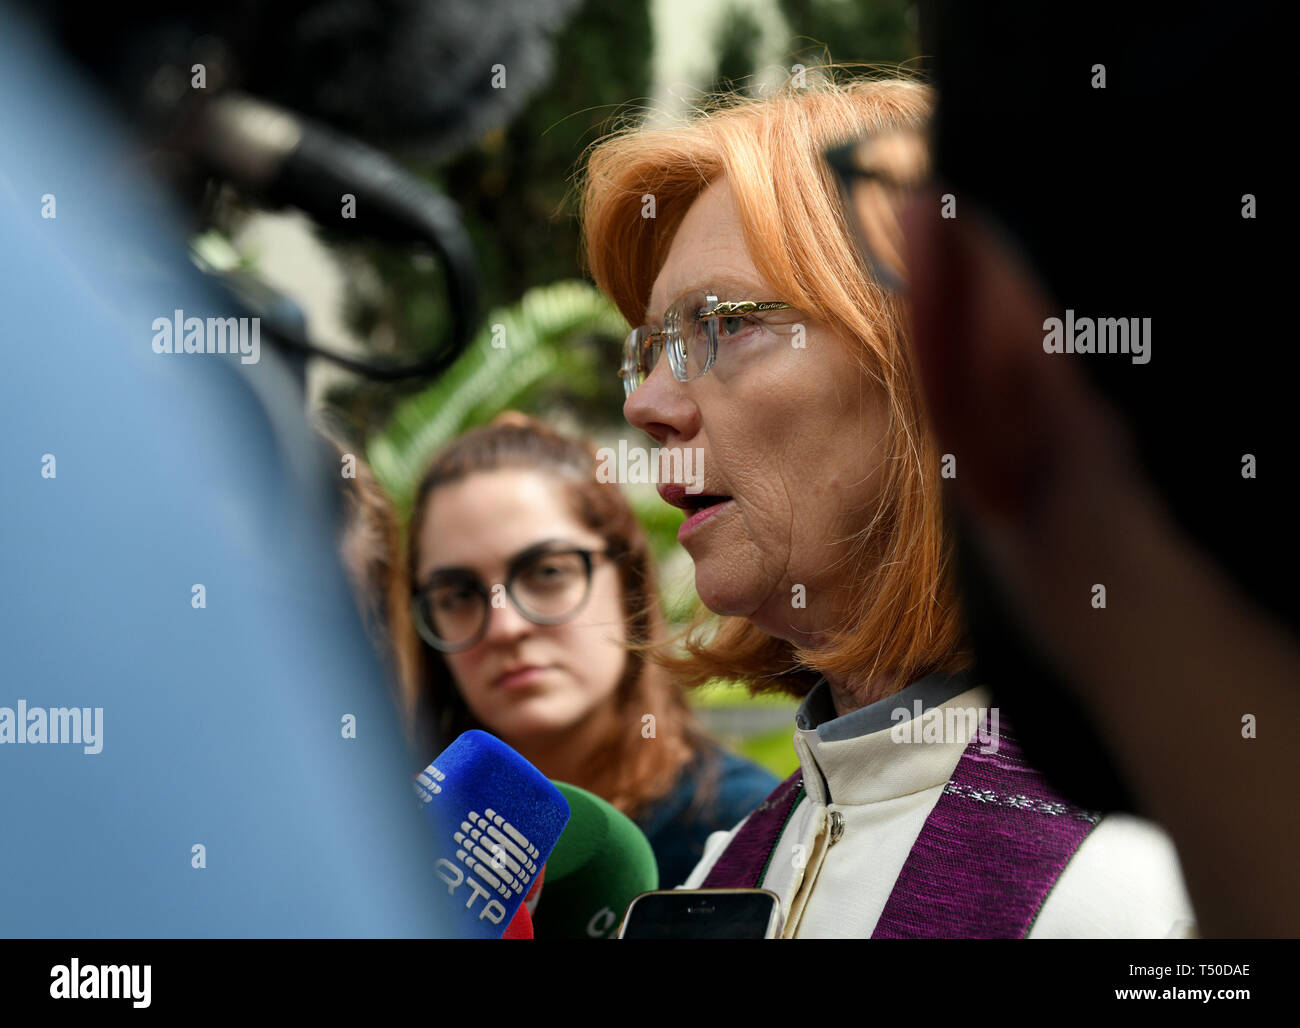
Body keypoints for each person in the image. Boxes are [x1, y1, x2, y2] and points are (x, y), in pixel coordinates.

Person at [580, 75, 1197, 937]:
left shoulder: (1156, 888)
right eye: (648, 350)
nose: (646, 403)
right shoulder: (729, 867)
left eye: (719, 326)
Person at [393, 412, 778, 889]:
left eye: (547, 573)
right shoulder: (395, 842)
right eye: (458, 595)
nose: (505, 627)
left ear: (626, 583)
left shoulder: (747, 837)